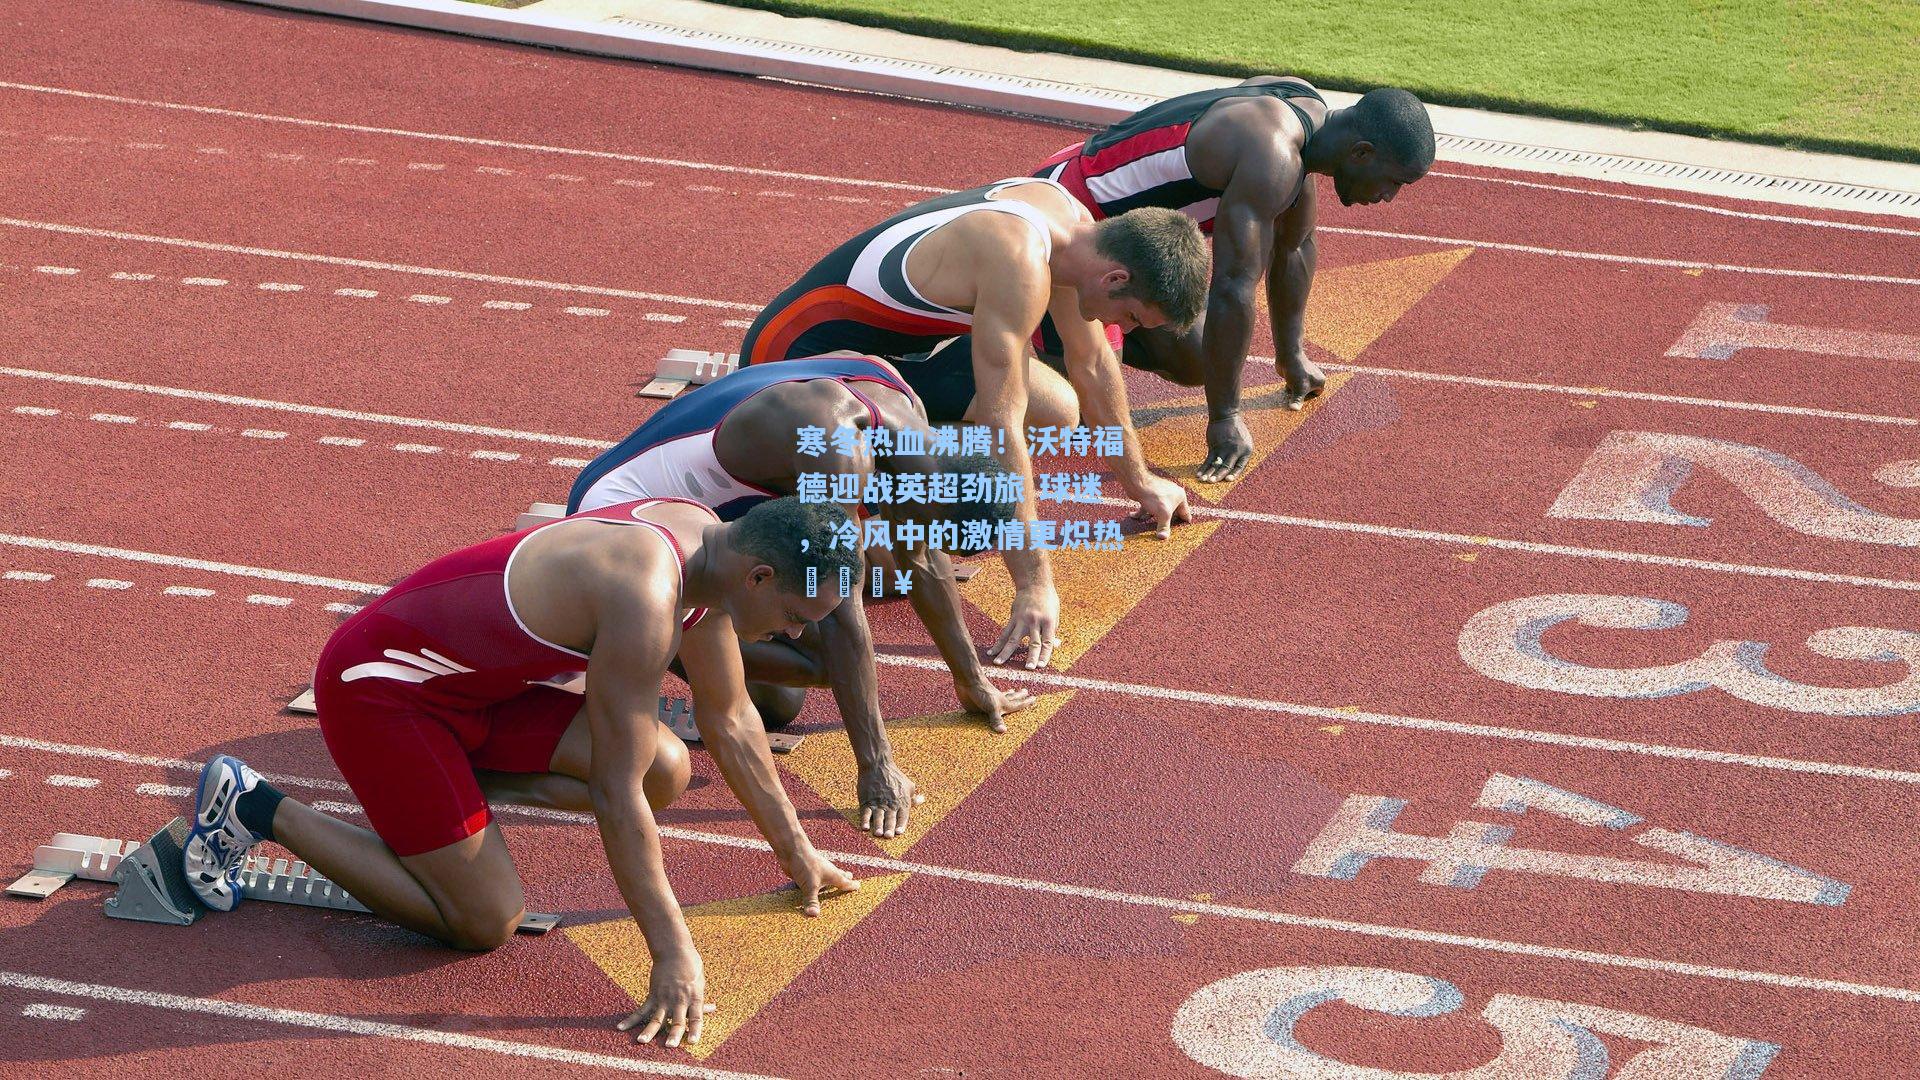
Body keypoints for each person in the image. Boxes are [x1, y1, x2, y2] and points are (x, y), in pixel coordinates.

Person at [182, 496, 860, 1050]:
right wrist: (672, 952)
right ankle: (255, 806)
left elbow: (734, 717)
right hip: (382, 692)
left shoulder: (708, 549)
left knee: (667, 767)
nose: (797, 637)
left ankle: (435, 808)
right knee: (485, 920)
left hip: (473, 695)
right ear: (760, 578)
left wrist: (797, 853)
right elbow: (613, 794)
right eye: (799, 619)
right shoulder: (646, 596)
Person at [740, 176, 1209, 668]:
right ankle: (868, 494)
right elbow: (999, 426)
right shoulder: (1019, 261)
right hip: (792, 360)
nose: (1125, 331)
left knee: (1056, 410)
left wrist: (1140, 480)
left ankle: (885, 485)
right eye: (1131, 318)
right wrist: (1034, 584)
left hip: (885, 353)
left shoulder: (1076, 232)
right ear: (1115, 279)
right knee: (873, 565)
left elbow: (1091, 363)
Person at [567, 352, 1035, 839]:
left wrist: (973, 681)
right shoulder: (837, 454)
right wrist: (876, 768)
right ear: (930, 495)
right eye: (932, 532)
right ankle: (648, 646)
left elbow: (919, 557)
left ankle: (686, 643)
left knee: (796, 688)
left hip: (703, 519)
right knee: (815, 670)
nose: (925, 547)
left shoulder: (905, 415)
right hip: (620, 518)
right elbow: (840, 615)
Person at [1034, 82, 1435, 482]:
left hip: (1114, 234)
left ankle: (1088, 335)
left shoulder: (1305, 115)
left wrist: (1291, 355)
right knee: (1072, 416)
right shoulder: (1272, 155)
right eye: (1393, 182)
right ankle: (1024, 329)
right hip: (1070, 218)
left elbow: (1294, 245)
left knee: (1197, 356)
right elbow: (1232, 286)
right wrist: (1225, 417)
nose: (1388, 197)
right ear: (1361, 152)